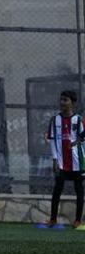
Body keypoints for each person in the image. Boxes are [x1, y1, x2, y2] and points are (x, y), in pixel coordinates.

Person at [39, 90, 84, 229]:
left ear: (73, 103)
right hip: (61, 162)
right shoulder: (55, 120)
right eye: (61, 99)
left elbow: (82, 140)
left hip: (78, 162)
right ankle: (53, 219)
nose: (62, 102)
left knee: (79, 190)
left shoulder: (78, 119)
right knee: (57, 189)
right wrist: (55, 159)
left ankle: (77, 220)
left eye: (65, 100)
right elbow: (52, 140)